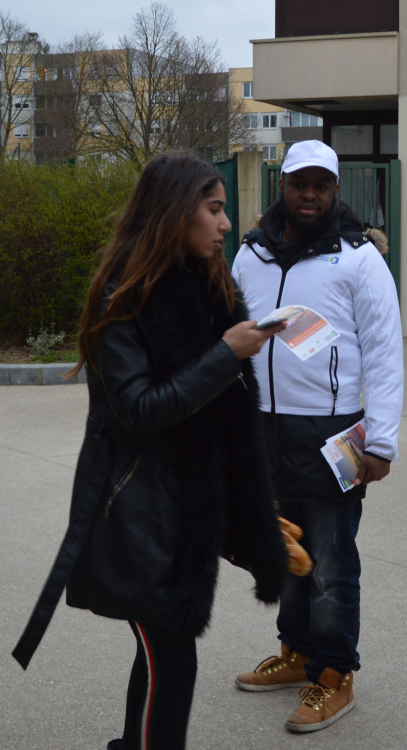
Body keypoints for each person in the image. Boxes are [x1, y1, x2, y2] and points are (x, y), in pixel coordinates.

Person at [12, 152, 290, 750]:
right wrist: (226, 354)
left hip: (181, 511)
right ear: (174, 212)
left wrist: (251, 514)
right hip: (138, 515)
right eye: (214, 209)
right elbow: (138, 410)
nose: (225, 224)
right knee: (171, 661)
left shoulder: (206, 284)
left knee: (161, 655)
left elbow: (222, 427)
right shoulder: (126, 297)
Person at [231, 140, 404, 734]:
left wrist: (381, 441)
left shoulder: (358, 259)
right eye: (299, 183)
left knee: (332, 559)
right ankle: (297, 653)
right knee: (286, 550)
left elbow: (384, 352)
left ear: (335, 191)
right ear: (283, 184)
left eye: (321, 185)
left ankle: (334, 673)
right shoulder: (249, 254)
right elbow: (231, 334)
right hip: (262, 429)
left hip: (335, 433)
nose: (310, 194)